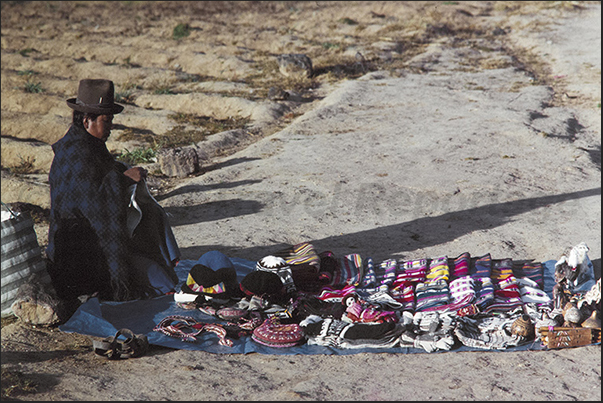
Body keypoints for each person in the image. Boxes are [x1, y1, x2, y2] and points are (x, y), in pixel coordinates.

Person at [46, 79, 180, 302]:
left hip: (87, 243)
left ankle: (166, 269)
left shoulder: (87, 145)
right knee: (153, 279)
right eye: (106, 121)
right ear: (87, 119)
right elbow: (94, 204)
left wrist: (122, 174)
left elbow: (102, 176)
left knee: (153, 216)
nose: (110, 128)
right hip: (80, 254)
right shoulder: (77, 155)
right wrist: (124, 180)